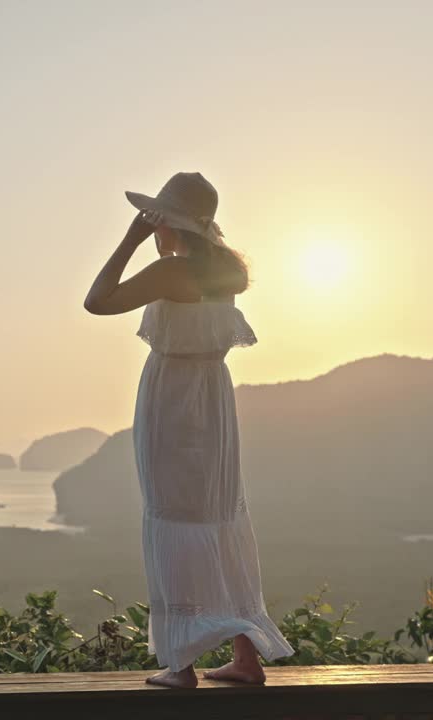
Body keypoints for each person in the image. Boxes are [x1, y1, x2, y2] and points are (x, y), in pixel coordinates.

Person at [83, 172, 295, 689]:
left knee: (172, 515)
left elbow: (97, 300)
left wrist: (131, 240)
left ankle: (180, 666)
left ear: (168, 222)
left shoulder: (170, 273)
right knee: (219, 516)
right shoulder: (225, 273)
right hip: (214, 401)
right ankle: (246, 658)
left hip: (173, 399)